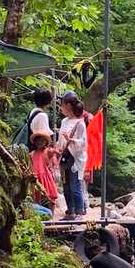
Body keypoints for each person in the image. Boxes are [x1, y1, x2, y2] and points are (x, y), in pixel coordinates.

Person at [55, 91, 89, 221]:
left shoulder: (80, 123)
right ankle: (70, 211)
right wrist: (57, 150)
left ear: (68, 105)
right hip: (64, 158)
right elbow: (60, 141)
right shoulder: (64, 121)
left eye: (62, 104)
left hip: (75, 158)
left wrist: (72, 140)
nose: (60, 107)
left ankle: (79, 212)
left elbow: (83, 143)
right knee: (66, 186)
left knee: (75, 186)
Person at [28, 131, 58, 206]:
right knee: (37, 197)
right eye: (37, 140)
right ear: (34, 142)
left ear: (46, 142)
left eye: (42, 140)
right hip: (36, 178)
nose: (39, 142)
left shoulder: (47, 151)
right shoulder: (32, 154)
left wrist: (55, 153)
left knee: (50, 196)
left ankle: (51, 211)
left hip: (46, 177)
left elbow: (54, 152)